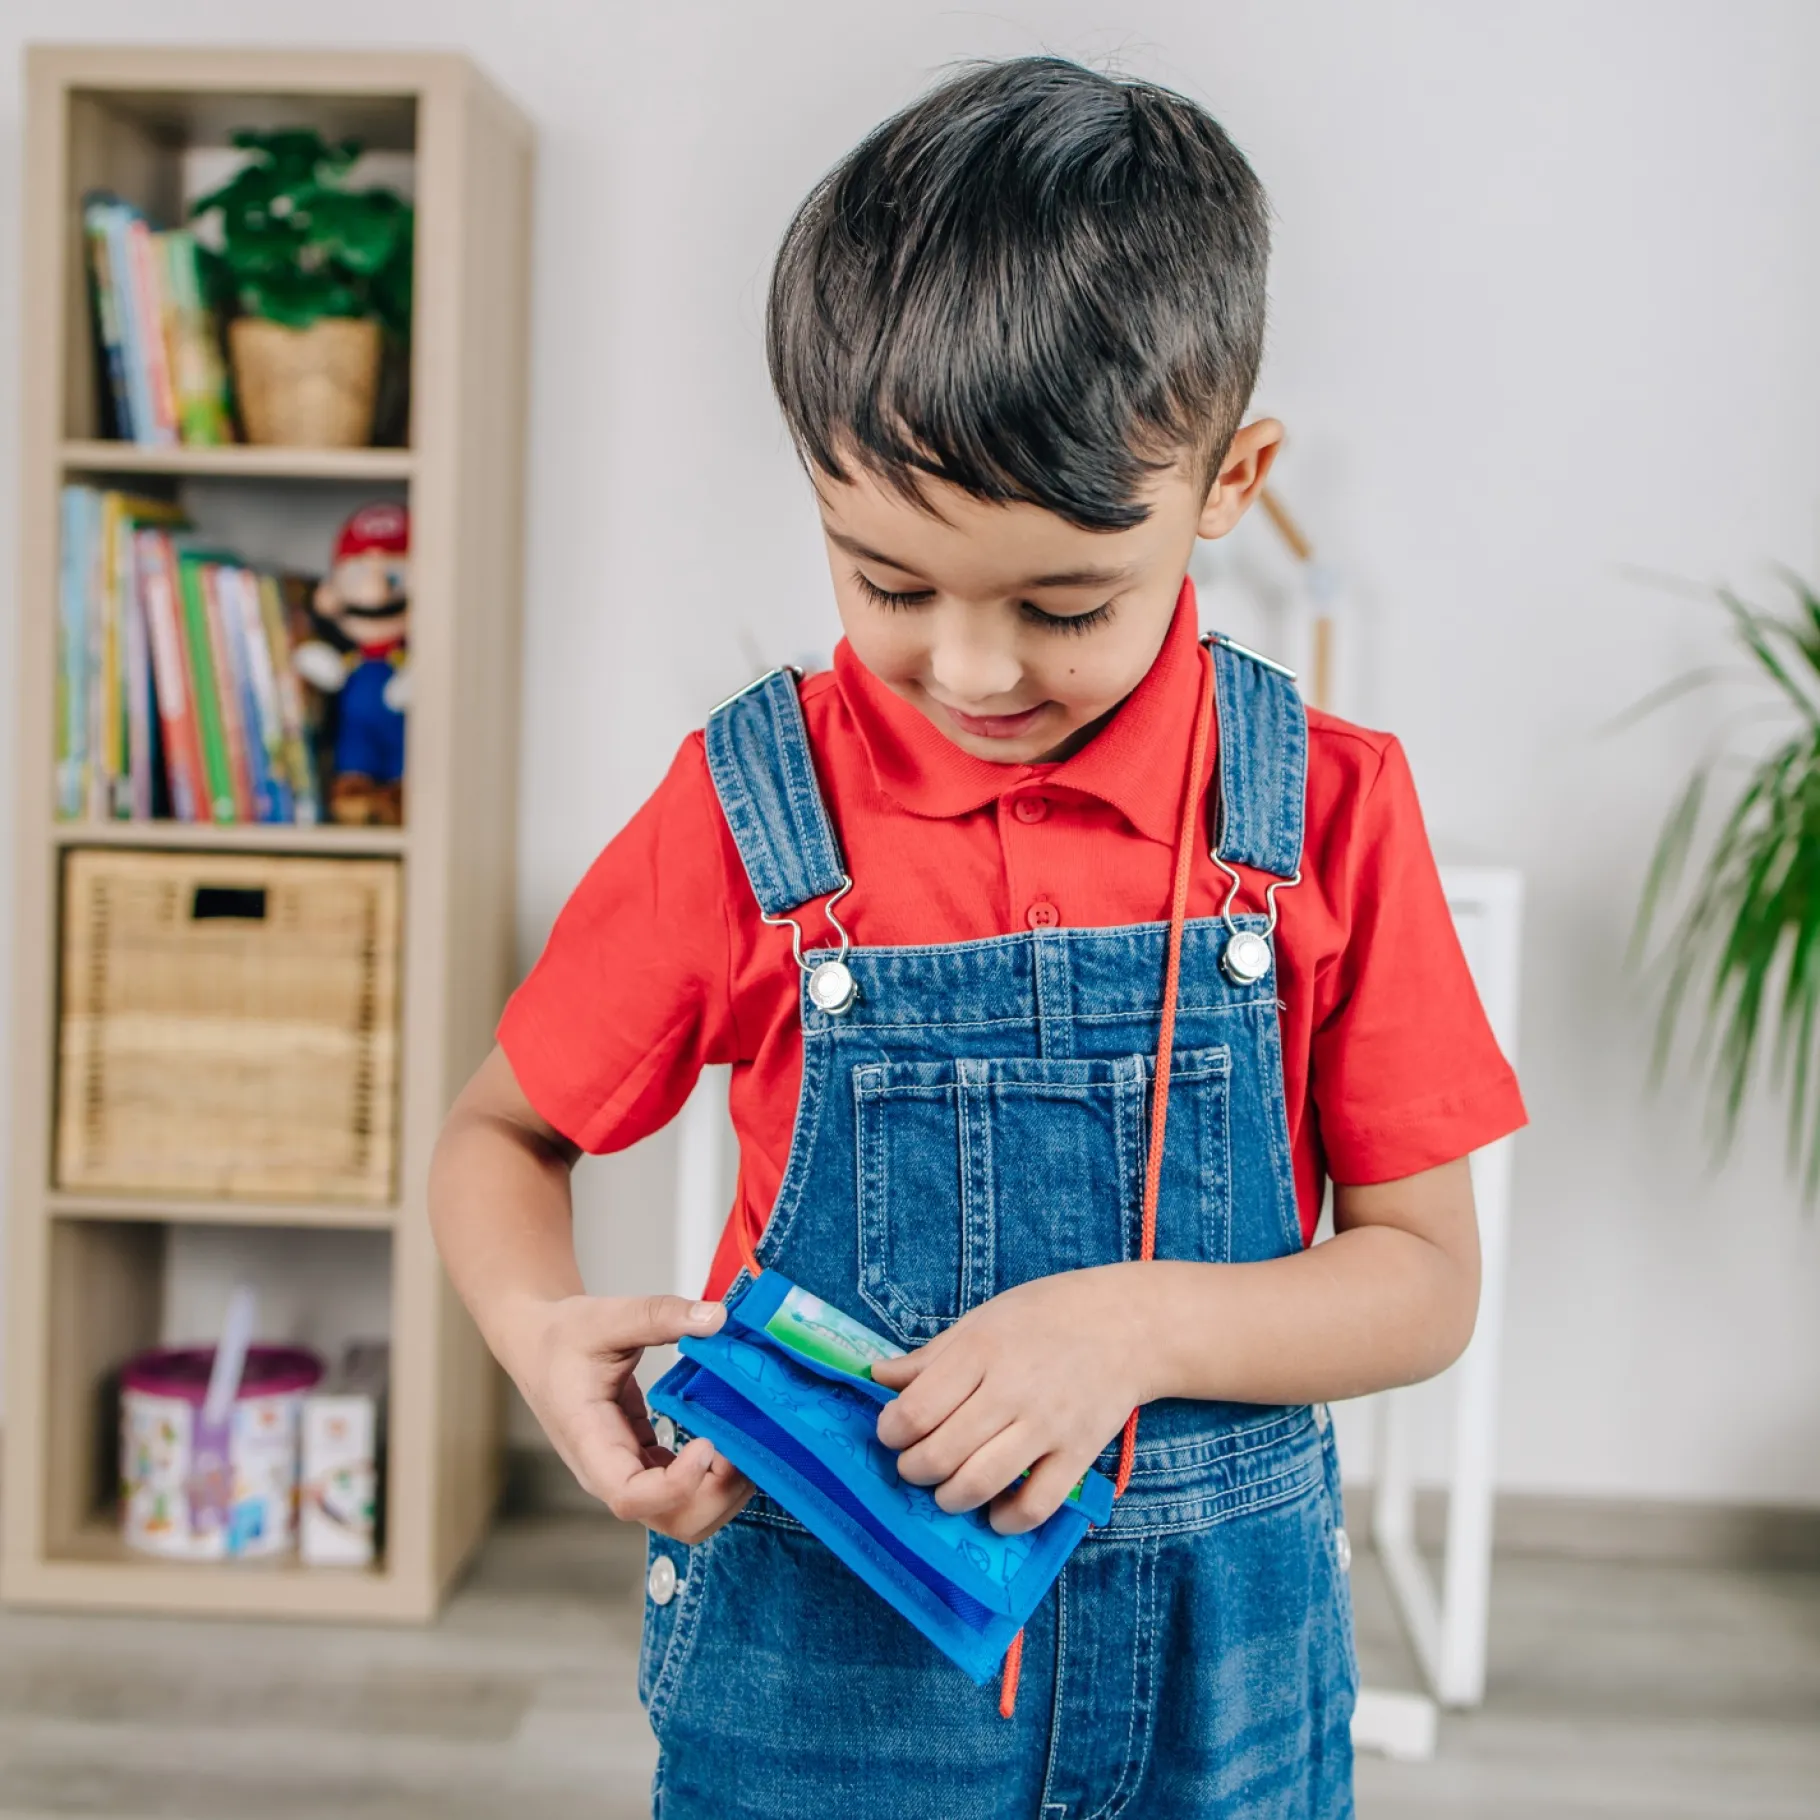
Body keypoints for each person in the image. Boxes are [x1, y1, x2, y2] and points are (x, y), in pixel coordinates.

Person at [429, 54, 1525, 1819]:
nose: (971, 666)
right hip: (823, 1681)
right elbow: (499, 1134)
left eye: (1063, 602)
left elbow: (1426, 1280)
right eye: (887, 582)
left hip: (1223, 1691)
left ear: (1231, 481)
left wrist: (1130, 1330)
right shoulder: (748, 809)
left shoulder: (1328, 807)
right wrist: (539, 1331)